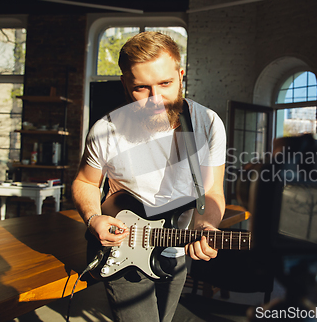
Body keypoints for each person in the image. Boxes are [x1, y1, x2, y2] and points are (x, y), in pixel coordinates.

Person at [72, 31, 226, 322]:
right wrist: (94, 219)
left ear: (181, 75)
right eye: (141, 88)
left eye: (166, 83)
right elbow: (85, 182)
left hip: (175, 247)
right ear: (124, 83)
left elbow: (213, 192)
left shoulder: (207, 124)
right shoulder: (105, 131)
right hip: (123, 250)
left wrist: (207, 224)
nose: (156, 99)